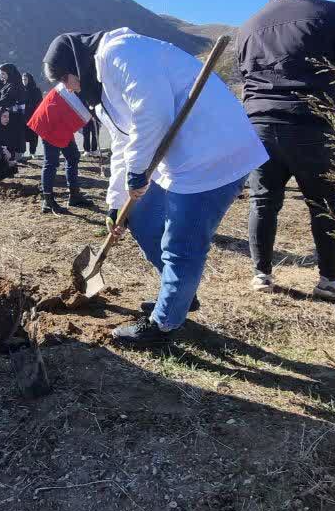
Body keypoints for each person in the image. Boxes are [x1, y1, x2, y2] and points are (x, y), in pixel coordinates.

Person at [43, 29, 267, 345]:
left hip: (212, 153)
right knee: (142, 217)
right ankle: (180, 296)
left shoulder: (121, 53)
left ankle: (164, 325)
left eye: (66, 79)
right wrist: (116, 202)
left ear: (76, 65)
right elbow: (122, 141)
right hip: (177, 158)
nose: (67, 87)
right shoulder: (101, 90)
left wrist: (137, 172)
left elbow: (154, 112)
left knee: (182, 243)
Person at [237, 0, 335, 300]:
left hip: (259, 124)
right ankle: (329, 281)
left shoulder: (249, 25)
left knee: (263, 200)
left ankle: (261, 275)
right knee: (324, 201)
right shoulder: (331, 12)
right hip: (310, 122)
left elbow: (245, 77)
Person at [26, 79, 91, 214]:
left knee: (73, 156)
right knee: (51, 162)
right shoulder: (71, 80)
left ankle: (74, 195)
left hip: (62, 122)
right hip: (50, 123)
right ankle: (48, 200)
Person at [0, 63, 30, 159]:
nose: (1, 76)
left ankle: (16, 158)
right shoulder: (8, 84)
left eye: (3, 73)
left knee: (15, 137)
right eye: (0, 73)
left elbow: (6, 99)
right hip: (9, 115)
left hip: (16, 116)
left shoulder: (15, 86)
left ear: (10, 73)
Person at [21, 72, 43, 156]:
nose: (24, 81)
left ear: (29, 80)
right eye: (23, 79)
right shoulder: (21, 90)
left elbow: (40, 103)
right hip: (23, 116)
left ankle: (32, 152)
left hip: (33, 115)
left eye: (25, 79)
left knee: (33, 135)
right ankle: (22, 152)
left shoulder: (36, 90)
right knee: (22, 135)